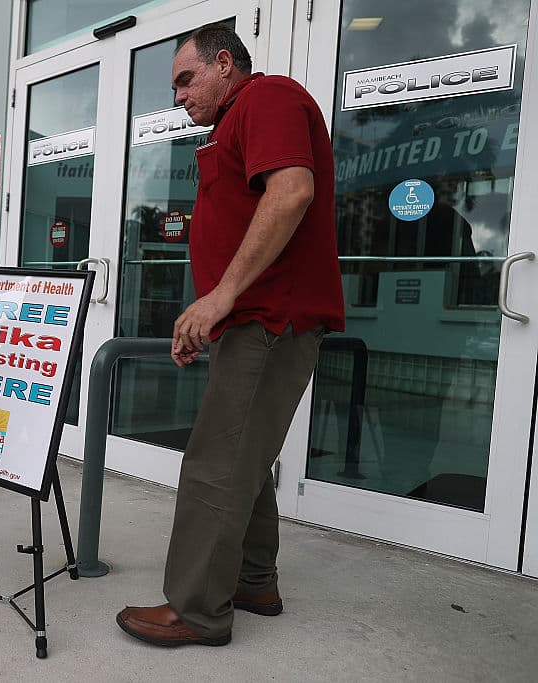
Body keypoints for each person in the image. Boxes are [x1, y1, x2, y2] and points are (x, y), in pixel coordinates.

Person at [116, 23, 345, 647]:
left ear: (225, 64)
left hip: (274, 318)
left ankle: (197, 609)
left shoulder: (267, 98)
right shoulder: (233, 121)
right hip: (251, 319)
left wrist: (222, 295)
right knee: (242, 458)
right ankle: (252, 580)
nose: (179, 96)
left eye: (187, 80)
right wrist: (212, 310)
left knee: (215, 463)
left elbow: (292, 190)